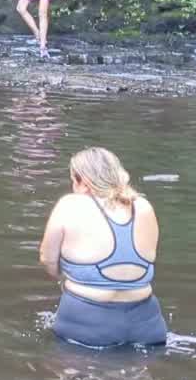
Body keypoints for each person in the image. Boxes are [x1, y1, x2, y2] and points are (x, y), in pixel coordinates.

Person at [37, 147, 168, 349]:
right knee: (142, 377)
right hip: (147, 324)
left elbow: (47, 259)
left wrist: (65, 277)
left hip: (87, 324)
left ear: (83, 182)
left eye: (73, 179)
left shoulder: (70, 205)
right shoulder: (143, 206)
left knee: (70, 377)